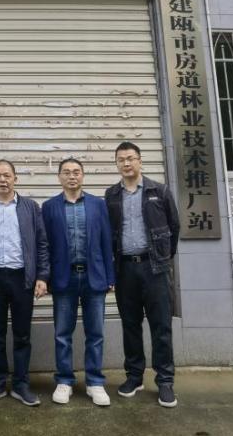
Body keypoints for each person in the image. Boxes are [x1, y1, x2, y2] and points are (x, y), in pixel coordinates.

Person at [104, 141, 181, 408]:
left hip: (154, 268)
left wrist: (162, 258)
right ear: (116, 164)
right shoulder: (111, 195)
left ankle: (165, 381)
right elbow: (109, 232)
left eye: (130, 158)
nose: (126, 163)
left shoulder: (159, 191)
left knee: (161, 326)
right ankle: (134, 376)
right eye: (121, 159)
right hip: (125, 269)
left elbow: (174, 227)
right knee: (130, 325)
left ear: (140, 160)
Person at [0, 159, 49, 406]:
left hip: (22, 278)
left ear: (15, 178)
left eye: (7, 175)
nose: (2, 180)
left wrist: (42, 276)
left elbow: (42, 243)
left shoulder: (30, 207)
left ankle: (21, 385)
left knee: (22, 335)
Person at [42, 157, 116, 407]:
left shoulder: (98, 204)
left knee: (96, 333)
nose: (71, 176)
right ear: (59, 177)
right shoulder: (49, 207)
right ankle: (64, 380)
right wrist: (45, 277)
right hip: (64, 278)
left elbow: (107, 241)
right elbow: (45, 246)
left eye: (76, 172)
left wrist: (110, 276)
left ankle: (95, 382)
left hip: (94, 276)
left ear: (83, 176)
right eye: (66, 172)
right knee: (62, 333)